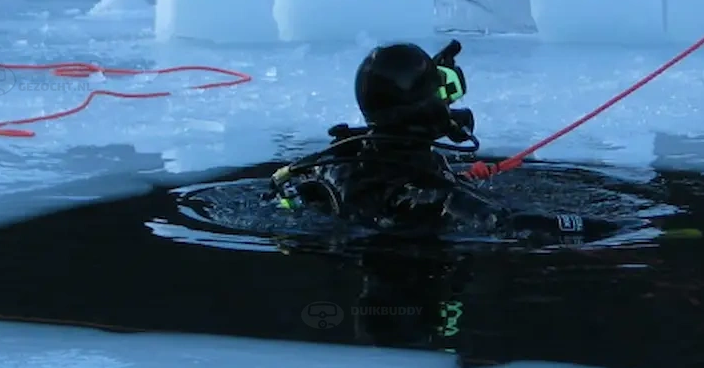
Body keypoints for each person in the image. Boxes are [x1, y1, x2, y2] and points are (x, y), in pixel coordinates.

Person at [267, 40, 623, 244]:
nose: (449, 104)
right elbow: (510, 225)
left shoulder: (345, 159)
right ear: (417, 106)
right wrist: (618, 229)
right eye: (441, 93)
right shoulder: (429, 191)